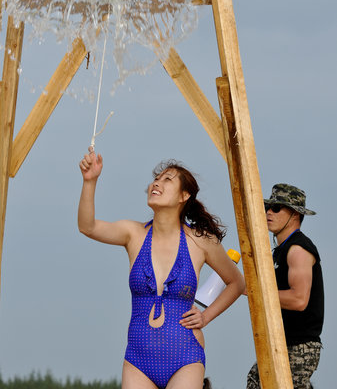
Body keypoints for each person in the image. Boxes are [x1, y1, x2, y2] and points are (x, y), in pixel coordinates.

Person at [78, 147, 245, 389]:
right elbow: (88, 227)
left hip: (185, 358)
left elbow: (236, 283)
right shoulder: (132, 234)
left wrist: (206, 316)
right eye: (156, 178)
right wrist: (89, 181)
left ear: (184, 196)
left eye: (167, 180)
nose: (157, 183)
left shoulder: (202, 241)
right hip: (137, 361)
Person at [246, 184, 324, 389]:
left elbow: (299, 300)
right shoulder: (281, 249)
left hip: (299, 346)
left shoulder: (298, 249)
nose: (269, 212)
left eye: (277, 208)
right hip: (281, 342)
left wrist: (256, 290)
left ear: (295, 214)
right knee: (255, 381)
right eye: (267, 207)